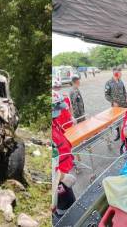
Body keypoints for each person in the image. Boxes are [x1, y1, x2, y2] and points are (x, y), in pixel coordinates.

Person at [51, 90, 76, 218]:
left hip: (62, 172)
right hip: (57, 178)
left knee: (69, 203)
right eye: (57, 108)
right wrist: (62, 177)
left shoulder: (54, 122)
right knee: (66, 208)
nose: (60, 111)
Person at [105, 67, 127, 141]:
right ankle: (118, 134)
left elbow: (124, 91)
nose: (121, 74)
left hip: (124, 105)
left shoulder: (121, 81)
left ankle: (125, 134)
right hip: (116, 106)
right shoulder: (109, 83)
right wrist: (113, 102)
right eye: (120, 73)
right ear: (115, 74)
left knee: (125, 119)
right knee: (117, 121)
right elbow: (106, 95)